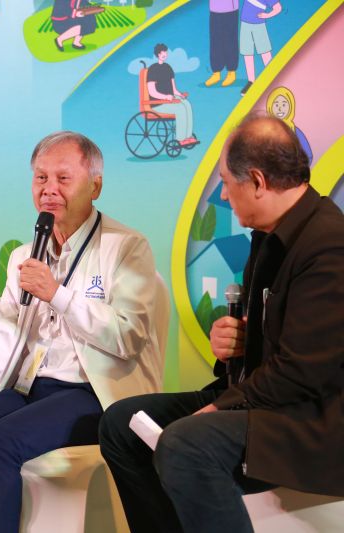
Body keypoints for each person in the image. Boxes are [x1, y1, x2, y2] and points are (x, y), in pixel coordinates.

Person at [99, 115, 344, 533]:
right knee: (122, 424)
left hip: (312, 420)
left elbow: (301, 373)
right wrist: (235, 343)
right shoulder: (268, 236)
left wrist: (218, 408)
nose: (226, 196)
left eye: (227, 183)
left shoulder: (328, 246)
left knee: (186, 443)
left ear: (258, 181)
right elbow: (274, 343)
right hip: (265, 400)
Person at [0, 131, 163, 533]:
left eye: (63, 179)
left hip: (95, 395)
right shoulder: (26, 254)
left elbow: (129, 336)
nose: (49, 189)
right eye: (41, 178)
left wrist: (58, 295)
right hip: (30, 390)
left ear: (95, 186)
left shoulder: (126, 247)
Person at [147, 43, 199, 147]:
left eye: (165, 52)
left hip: (171, 99)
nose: (164, 54)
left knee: (187, 104)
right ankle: (180, 139)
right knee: (180, 109)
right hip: (158, 103)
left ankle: (188, 136)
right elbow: (152, 92)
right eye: (162, 53)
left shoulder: (168, 68)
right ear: (157, 54)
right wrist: (165, 97)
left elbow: (174, 89)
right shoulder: (152, 69)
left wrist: (180, 95)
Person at [239, 0, 282, 95]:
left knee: (265, 52)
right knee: (247, 53)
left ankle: (272, 77)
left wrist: (267, 15)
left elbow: (278, 7)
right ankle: (251, 81)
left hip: (259, 25)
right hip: (245, 23)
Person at [205, 0, 239, 88]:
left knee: (230, 40)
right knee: (215, 41)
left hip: (230, 10)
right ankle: (216, 73)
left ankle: (231, 72)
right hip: (214, 9)